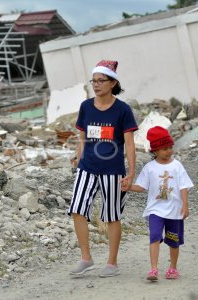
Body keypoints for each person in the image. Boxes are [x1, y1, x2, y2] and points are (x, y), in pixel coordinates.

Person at [68, 60, 138, 277]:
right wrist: (78, 159)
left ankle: (112, 263)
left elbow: (129, 143)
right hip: (87, 168)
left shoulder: (123, 110)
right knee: (77, 209)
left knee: (112, 216)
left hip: (112, 171)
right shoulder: (86, 106)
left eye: (101, 81)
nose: (96, 85)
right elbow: (82, 137)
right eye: (94, 81)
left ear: (113, 83)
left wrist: (131, 172)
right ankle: (86, 258)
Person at [126, 126, 193, 281]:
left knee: (173, 240)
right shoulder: (149, 168)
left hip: (175, 212)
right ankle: (154, 269)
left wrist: (185, 205)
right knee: (154, 236)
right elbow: (142, 187)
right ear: (155, 150)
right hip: (155, 210)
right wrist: (128, 187)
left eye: (170, 147)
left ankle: (172, 268)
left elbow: (184, 186)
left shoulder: (177, 166)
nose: (169, 151)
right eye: (164, 149)